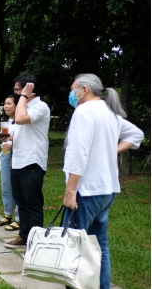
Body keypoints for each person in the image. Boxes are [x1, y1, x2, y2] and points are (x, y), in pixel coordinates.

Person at [62, 73, 143, 289]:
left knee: (73, 246)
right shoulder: (110, 113)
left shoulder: (84, 111)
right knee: (100, 245)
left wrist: (70, 192)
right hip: (106, 189)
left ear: (84, 90)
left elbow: (77, 154)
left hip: (86, 191)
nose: (71, 94)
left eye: (73, 89)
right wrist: (110, 151)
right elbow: (137, 135)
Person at [4, 74, 50, 249]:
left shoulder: (40, 106)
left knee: (33, 204)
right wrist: (9, 138)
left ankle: (36, 242)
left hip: (32, 161)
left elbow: (22, 119)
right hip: (17, 161)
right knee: (21, 202)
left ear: (30, 89)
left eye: (18, 89)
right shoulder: (23, 106)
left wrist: (23, 96)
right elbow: (19, 131)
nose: (15, 93)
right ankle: (24, 236)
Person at [0, 94, 20, 231]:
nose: (6, 106)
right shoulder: (5, 121)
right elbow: (4, 139)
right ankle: (7, 214)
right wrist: (3, 138)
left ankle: (19, 218)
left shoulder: (20, 121)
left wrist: (11, 143)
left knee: (18, 187)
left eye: (9, 103)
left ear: (17, 105)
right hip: (5, 154)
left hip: (17, 155)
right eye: (5, 104)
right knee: (6, 184)